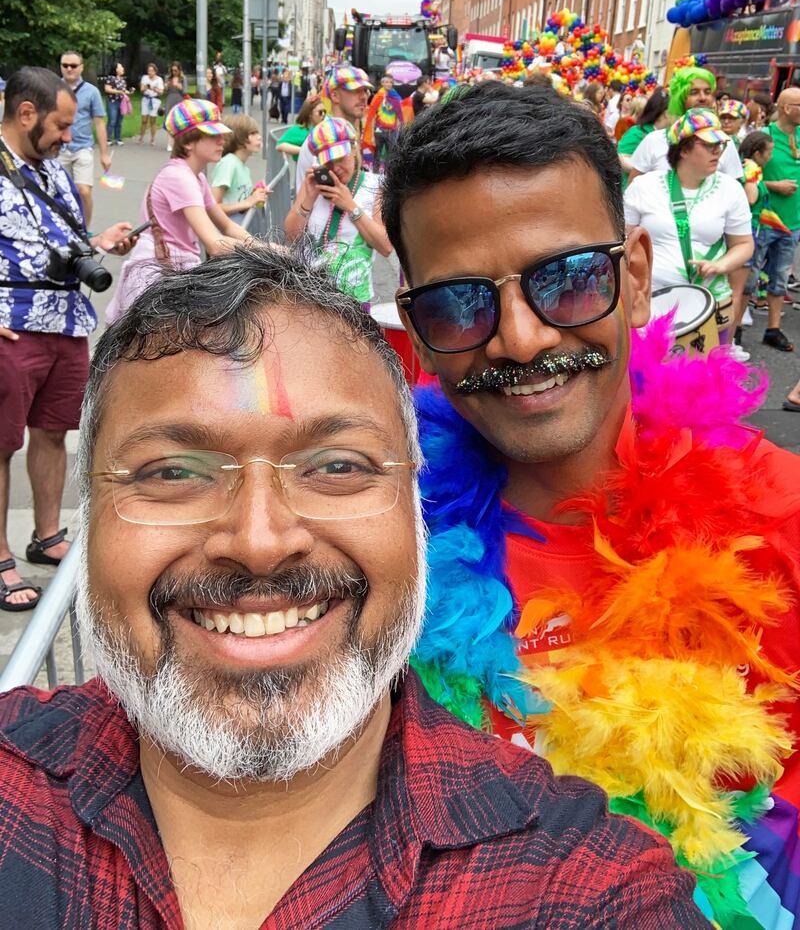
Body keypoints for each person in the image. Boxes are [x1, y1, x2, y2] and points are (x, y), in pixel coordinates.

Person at [0, 242, 708, 928]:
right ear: (87, 516)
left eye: (337, 466)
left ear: (416, 512)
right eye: (172, 473)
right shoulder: (14, 788)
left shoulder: (587, 887)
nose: (259, 542)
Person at [381, 81, 800, 927]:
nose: (521, 337)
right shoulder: (373, 544)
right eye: (459, 303)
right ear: (417, 330)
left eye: (566, 281)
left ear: (636, 279)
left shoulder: (783, 517)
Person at [0, 67, 135, 610]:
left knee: (54, 432)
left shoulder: (52, 171)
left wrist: (99, 242)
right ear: (26, 113)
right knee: (1, 447)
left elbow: (66, 238)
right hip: (12, 326)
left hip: (65, 323)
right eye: (59, 125)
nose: (65, 137)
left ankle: (47, 535)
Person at [105, 100, 250, 323]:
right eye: (212, 135)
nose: (222, 140)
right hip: (157, 280)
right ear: (189, 142)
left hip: (171, 274)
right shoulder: (178, 177)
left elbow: (228, 225)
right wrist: (269, 252)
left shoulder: (196, 177)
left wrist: (264, 246)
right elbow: (214, 243)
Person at [623, 109, 753, 357]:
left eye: (721, 144)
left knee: (704, 387)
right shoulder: (644, 186)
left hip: (708, 305)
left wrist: (720, 265)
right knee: (648, 385)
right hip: (651, 304)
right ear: (683, 149)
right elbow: (624, 242)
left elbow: (744, 244)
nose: (718, 151)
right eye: (709, 144)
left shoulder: (731, 190)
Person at [285, 117, 392, 307]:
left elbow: (385, 246)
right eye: (329, 162)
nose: (336, 168)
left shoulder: (376, 186)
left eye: (340, 158)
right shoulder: (314, 184)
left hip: (355, 301)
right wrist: (308, 199)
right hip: (312, 298)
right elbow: (292, 237)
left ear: (353, 149)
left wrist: (350, 206)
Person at [629, 66, 743, 181]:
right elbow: (633, 191)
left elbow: (735, 192)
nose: (703, 98)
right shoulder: (654, 141)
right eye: (694, 92)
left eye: (707, 92)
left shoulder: (725, 144)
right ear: (680, 99)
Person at [756, 87, 800, 353]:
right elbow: (744, 176)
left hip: (792, 224)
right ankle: (734, 331)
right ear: (786, 108)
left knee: (780, 280)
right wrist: (774, 185)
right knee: (749, 280)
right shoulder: (764, 136)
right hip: (765, 220)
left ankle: (772, 330)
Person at [294, 66, 371, 191]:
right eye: (356, 90)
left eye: (366, 90)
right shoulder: (323, 137)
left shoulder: (355, 132)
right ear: (335, 96)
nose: (363, 97)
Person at [57, 50, 111, 225]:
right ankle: (63, 227)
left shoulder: (91, 91)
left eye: (73, 65)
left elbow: (99, 123)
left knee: (84, 191)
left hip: (82, 148)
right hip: (57, 149)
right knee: (59, 192)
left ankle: (85, 230)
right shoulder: (53, 88)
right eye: (65, 65)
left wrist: (104, 154)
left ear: (81, 67)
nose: (69, 69)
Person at [734, 130, 775, 348]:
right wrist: (756, 181)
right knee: (742, 288)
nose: (771, 157)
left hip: (753, 230)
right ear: (758, 152)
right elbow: (750, 198)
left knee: (744, 288)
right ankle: (733, 337)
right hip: (749, 231)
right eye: (769, 152)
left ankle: (735, 336)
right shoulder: (751, 169)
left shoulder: (747, 166)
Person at [210, 114, 268, 219]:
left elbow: (237, 198)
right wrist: (248, 202)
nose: (259, 137)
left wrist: (255, 194)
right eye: (253, 133)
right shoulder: (228, 164)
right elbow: (213, 206)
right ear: (238, 137)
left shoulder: (242, 167)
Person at [617, 87, 671, 183]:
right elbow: (620, 158)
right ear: (665, 113)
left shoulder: (670, 135)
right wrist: (646, 169)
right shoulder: (638, 132)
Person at [275, 93, 325, 159]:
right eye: (320, 112)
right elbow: (280, 145)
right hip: (304, 167)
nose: (323, 114)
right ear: (310, 114)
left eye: (325, 111)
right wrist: (303, 151)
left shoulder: (324, 128)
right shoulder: (299, 129)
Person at [103, 62, 131, 148]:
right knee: (112, 120)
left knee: (119, 121)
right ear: (116, 69)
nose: (123, 68)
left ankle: (118, 138)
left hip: (121, 102)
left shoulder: (122, 80)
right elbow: (107, 89)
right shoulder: (111, 78)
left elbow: (124, 90)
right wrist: (118, 91)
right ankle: (107, 139)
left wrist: (128, 92)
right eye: (121, 67)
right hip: (112, 102)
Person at [162, 62, 188, 155]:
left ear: (179, 70)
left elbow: (185, 91)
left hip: (179, 99)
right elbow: (164, 91)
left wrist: (179, 86)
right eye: (172, 70)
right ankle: (170, 143)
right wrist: (166, 86)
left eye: (176, 70)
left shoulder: (183, 78)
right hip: (170, 98)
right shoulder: (168, 78)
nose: (174, 72)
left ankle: (178, 143)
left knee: (179, 121)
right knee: (169, 120)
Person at [138, 62, 164, 146]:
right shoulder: (145, 78)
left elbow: (161, 92)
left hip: (155, 100)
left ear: (155, 71)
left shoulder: (159, 79)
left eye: (152, 71)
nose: (150, 73)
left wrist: (153, 88)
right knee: (144, 120)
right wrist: (146, 87)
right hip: (146, 99)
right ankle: (141, 137)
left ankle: (153, 138)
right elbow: (141, 89)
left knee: (153, 120)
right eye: (149, 71)